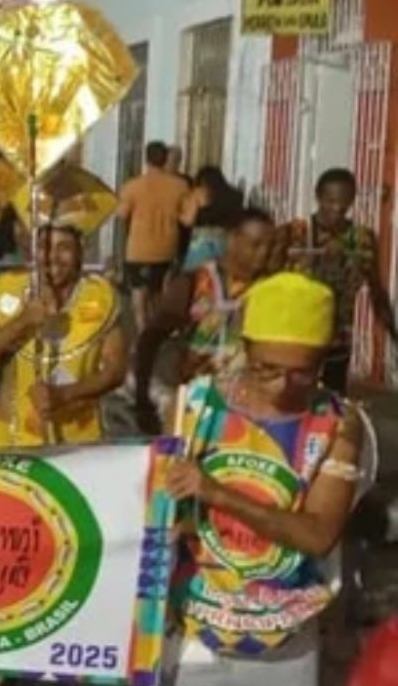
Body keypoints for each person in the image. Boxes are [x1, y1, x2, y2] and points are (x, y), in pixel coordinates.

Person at [163, 272, 372, 685]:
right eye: (267, 369)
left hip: (285, 641)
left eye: (301, 372)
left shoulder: (338, 424)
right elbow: (160, 510)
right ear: (245, 348)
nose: (282, 386)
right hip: (196, 631)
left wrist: (216, 493)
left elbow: (316, 535)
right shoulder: (196, 405)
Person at [0, 181, 126, 448]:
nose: (51, 257)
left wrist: (66, 395)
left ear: (80, 251)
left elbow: (115, 370)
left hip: (77, 439)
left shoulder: (99, 298)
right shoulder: (10, 291)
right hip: (8, 439)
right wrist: (22, 321)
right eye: (43, 246)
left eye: (64, 247)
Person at [134, 208, 275, 434]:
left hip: (245, 409)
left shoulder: (271, 289)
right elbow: (151, 338)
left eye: (270, 247)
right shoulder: (194, 282)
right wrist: (142, 398)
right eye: (255, 245)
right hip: (191, 404)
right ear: (232, 239)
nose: (264, 254)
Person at [277, 167, 398, 394]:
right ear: (318, 197)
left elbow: (376, 290)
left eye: (345, 202)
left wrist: (392, 333)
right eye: (330, 201)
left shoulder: (363, 239)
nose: (337, 208)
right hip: (296, 335)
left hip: (338, 340)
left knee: (332, 403)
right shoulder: (295, 233)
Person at [118, 141, 192, 332]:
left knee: (139, 294)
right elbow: (188, 219)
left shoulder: (132, 187)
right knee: (160, 292)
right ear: (166, 158)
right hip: (167, 248)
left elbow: (122, 215)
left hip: (138, 249)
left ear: (146, 159)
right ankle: (159, 330)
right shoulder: (181, 186)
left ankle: (143, 329)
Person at [181, 166, 245, 271]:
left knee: (199, 277)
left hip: (202, 243)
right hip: (226, 241)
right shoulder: (234, 195)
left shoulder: (199, 193)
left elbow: (188, 221)